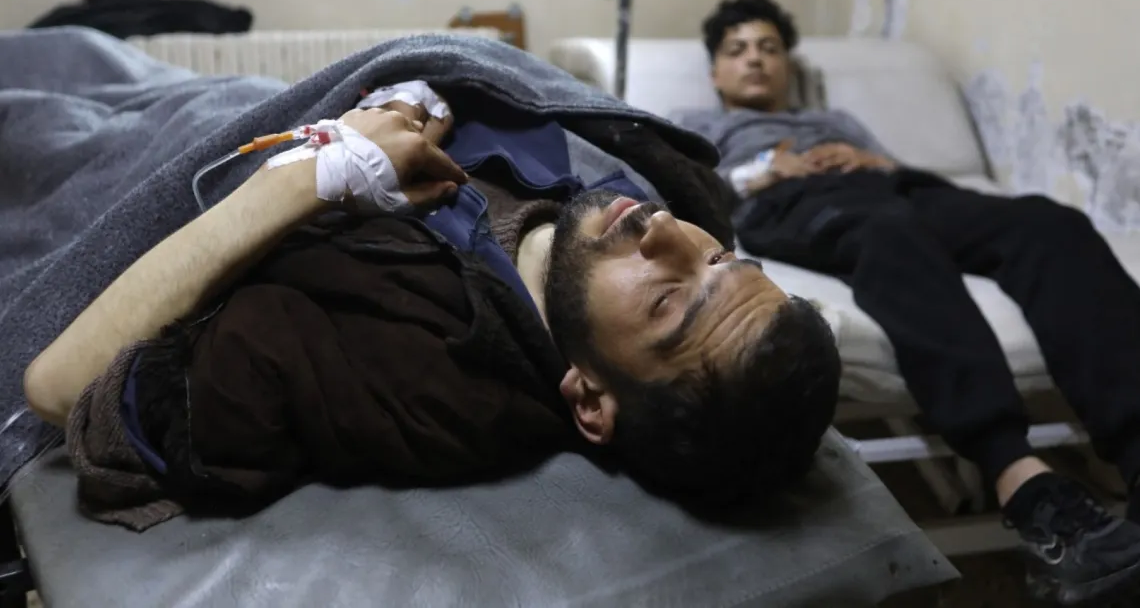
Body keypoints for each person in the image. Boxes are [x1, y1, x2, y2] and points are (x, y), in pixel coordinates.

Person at [23, 84, 841, 525]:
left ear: (591, 400)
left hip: (129, 152)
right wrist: (429, 94)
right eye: (719, 257)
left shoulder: (420, 365)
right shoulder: (633, 205)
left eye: (668, 302)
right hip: (219, 93)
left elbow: (59, 385)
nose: (665, 229)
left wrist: (325, 170)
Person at [675, 0, 1140, 605]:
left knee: (1048, 224)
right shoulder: (698, 125)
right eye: (738, 51)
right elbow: (692, 189)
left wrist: (871, 158)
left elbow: (894, 168)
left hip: (889, 187)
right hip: (792, 203)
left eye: (769, 47)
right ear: (716, 72)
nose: (755, 60)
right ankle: (1023, 480)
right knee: (891, 237)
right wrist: (763, 170)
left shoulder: (837, 120)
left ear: (788, 63)